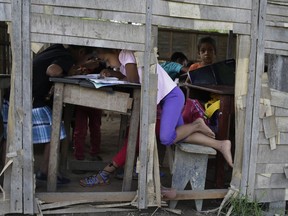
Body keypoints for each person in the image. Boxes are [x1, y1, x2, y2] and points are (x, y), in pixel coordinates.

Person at [79, 48, 233, 190]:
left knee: (166, 137)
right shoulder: (125, 63)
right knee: (178, 136)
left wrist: (113, 71)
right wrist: (113, 73)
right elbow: (132, 77)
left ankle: (196, 125)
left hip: (171, 97)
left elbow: (133, 80)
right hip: (163, 100)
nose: (107, 64)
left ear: (112, 50)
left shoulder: (126, 53)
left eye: (105, 59)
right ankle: (220, 144)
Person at [2, 44, 95, 184]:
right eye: (87, 57)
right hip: (29, 101)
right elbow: (52, 70)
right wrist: (71, 69)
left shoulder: (55, 49)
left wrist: (72, 69)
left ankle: (6, 174)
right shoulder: (67, 57)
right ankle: (46, 171)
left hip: (13, 96)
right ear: (81, 52)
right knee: (56, 131)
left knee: (8, 134)